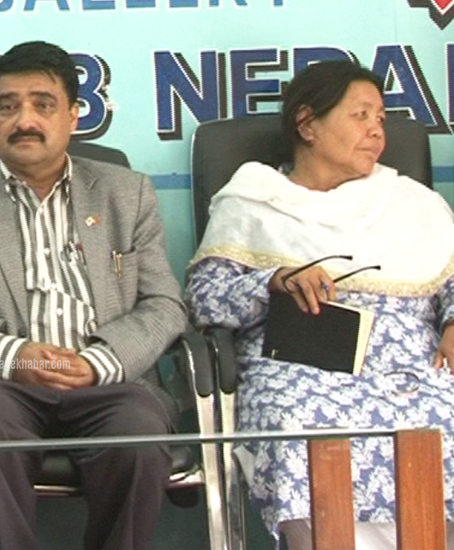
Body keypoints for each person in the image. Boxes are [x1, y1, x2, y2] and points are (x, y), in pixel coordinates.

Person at [0, 40, 187, 550]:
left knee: (138, 436)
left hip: (108, 380)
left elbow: (164, 304)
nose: (23, 120)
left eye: (42, 105)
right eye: (7, 106)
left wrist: (98, 362)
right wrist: (13, 357)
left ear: (74, 116)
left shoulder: (126, 192)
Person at [186, 60, 454, 549]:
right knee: (302, 427)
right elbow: (205, 300)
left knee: (439, 417)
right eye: (361, 115)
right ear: (308, 124)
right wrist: (274, 281)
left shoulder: (412, 202)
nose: (377, 129)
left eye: (381, 118)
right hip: (300, 367)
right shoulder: (254, 199)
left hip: (413, 366)